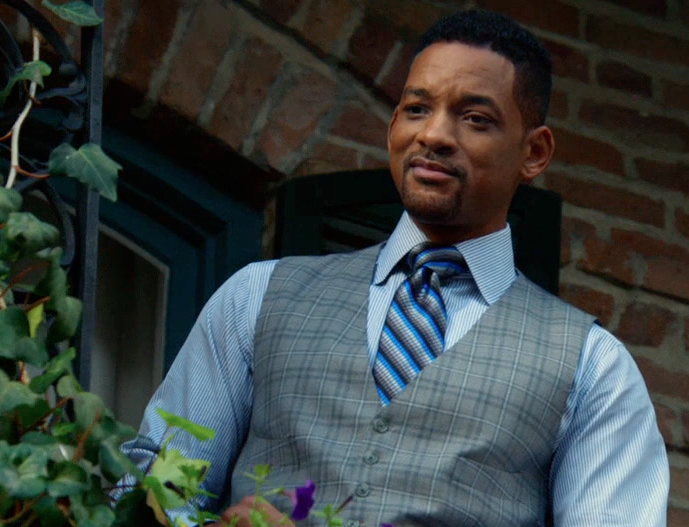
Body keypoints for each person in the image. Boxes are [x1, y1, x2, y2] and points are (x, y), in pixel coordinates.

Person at [123, 9, 669, 527]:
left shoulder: (592, 369)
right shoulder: (255, 298)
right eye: (416, 109)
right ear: (392, 129)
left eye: (475, 119)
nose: (434, 135)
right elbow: (153, 495)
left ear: (534, 153)